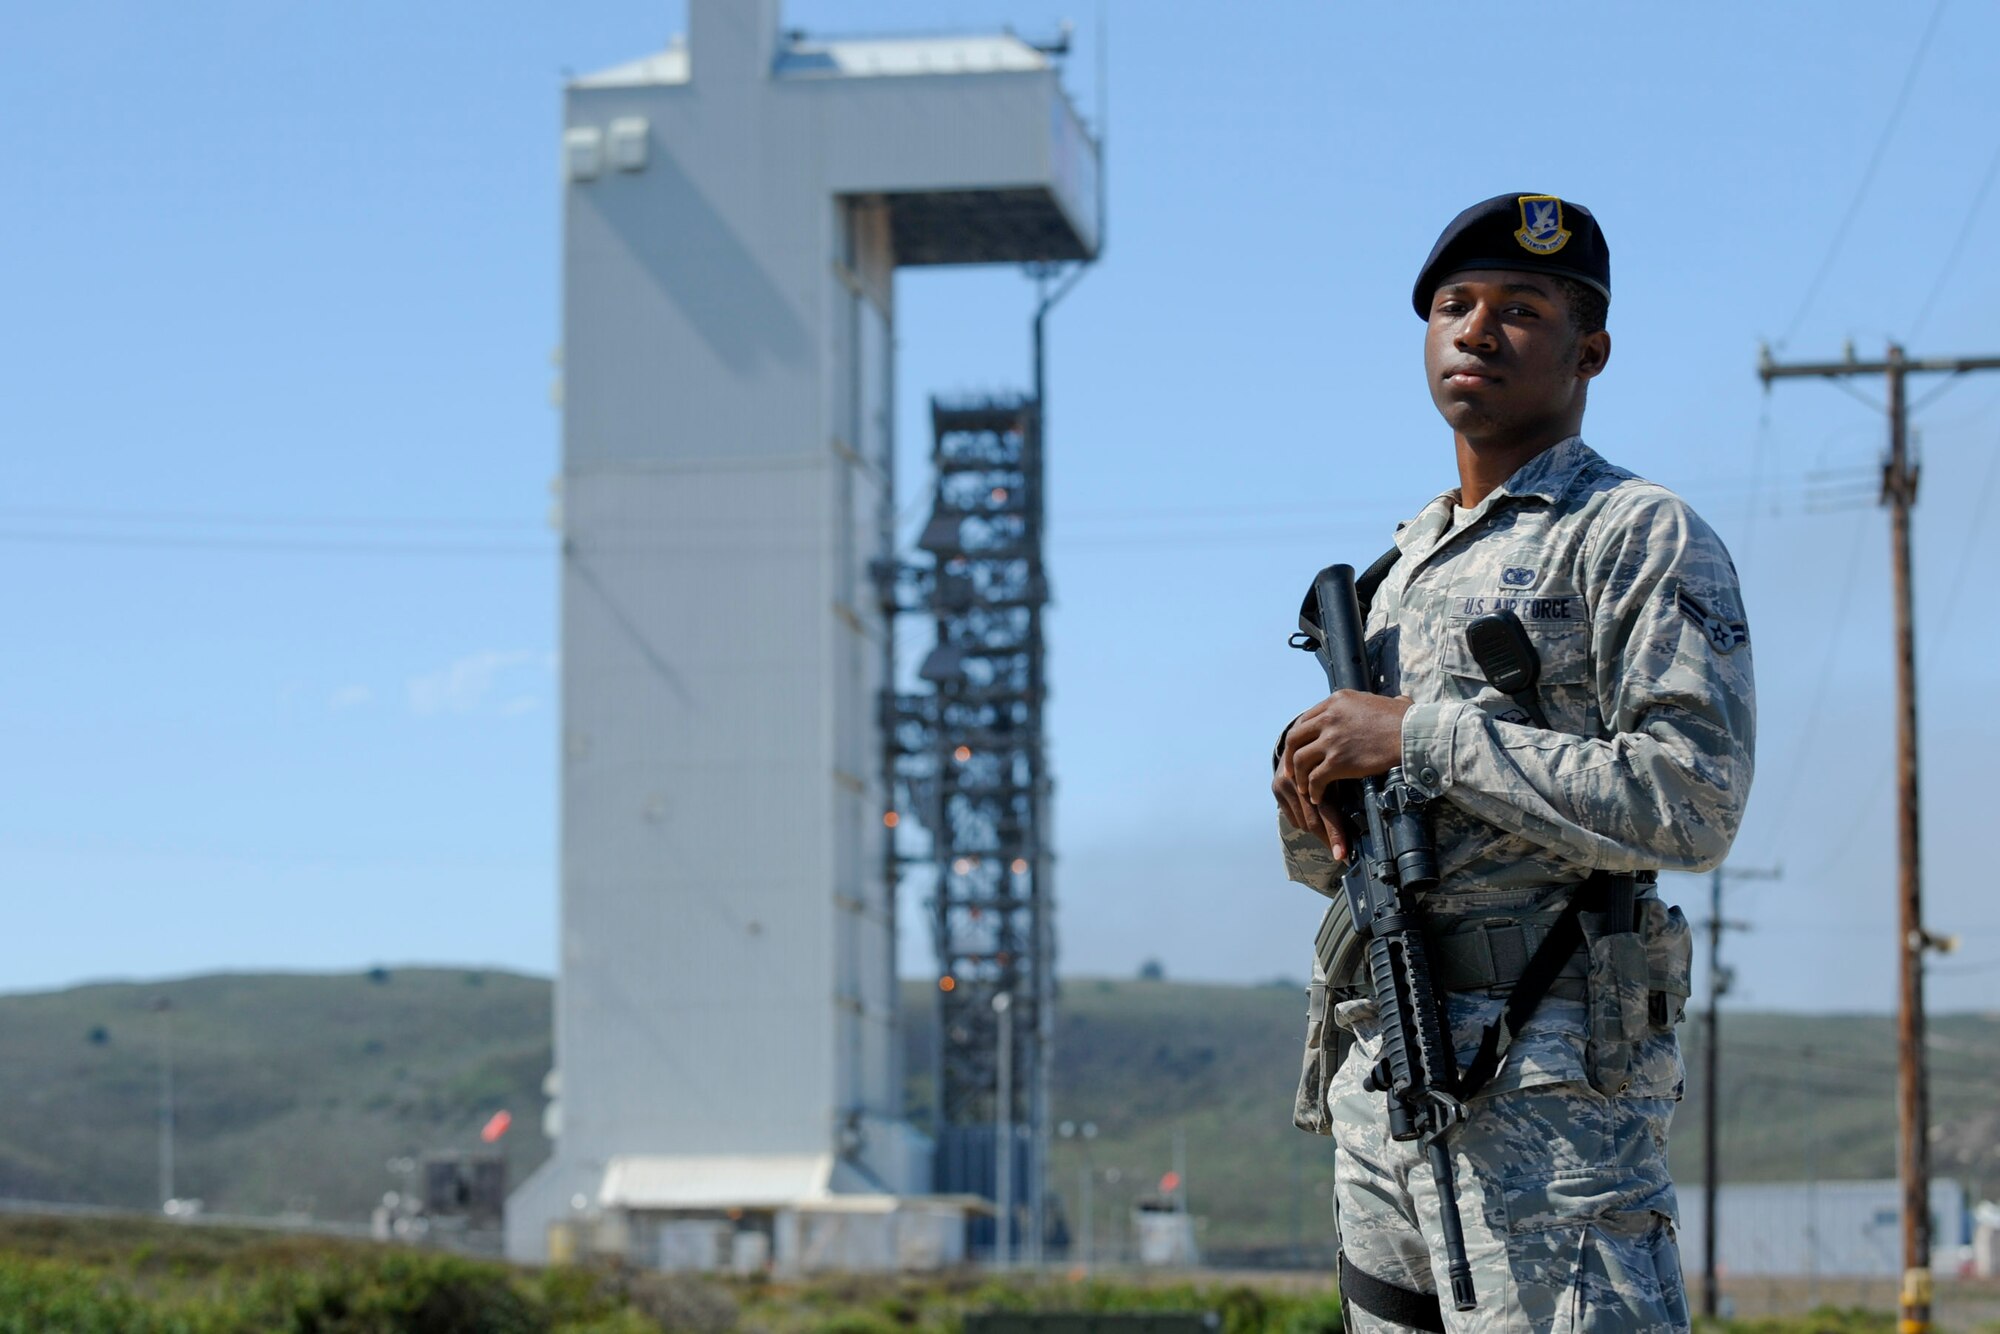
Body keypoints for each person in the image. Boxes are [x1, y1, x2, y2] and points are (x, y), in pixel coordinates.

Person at [1272, 193, 1756, 1334]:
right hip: (1386, 1059)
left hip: (1550, 1071)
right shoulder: (1394, 576)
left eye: (1519, 309)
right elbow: (1334, 861)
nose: (1476, 330)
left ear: (1587, 350)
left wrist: (1418, 734)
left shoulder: (1631, 532)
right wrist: (1307, 789)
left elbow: (1690, 800)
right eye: (1453, 304)